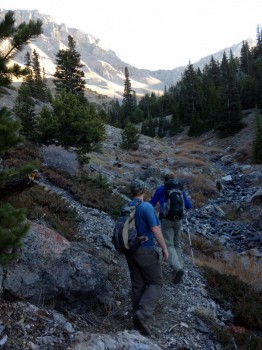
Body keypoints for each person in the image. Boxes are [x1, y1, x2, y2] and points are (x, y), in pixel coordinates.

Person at [125, 178, 169, 336]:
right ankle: (142, 315)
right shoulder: (146, 206)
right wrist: (164, 248)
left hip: (129, 251)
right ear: (144, 190)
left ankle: (137, 323)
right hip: (145, 249)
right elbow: (156, 230)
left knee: (138, 285)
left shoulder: (126, 206)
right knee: (156, 282)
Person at [150, 172, 192, 284]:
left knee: (168, 245)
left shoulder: (161, 189)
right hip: (178, 220)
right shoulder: (180, 189)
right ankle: (179, 267)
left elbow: (152, 204)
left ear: (165, 181)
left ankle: (178, 269)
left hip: (166, 220)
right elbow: (188, 206)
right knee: (177, 244)